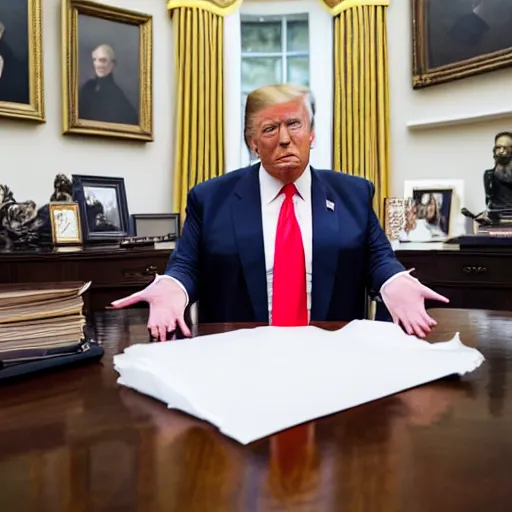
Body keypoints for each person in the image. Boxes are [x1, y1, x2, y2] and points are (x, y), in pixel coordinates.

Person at [112, 84, 448, 340]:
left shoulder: (353, 193)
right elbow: (187, 264)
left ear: (312, 134)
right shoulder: (210, 197)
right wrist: (173, 285)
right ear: (252, 142)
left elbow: (377, 257)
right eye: (270, 129)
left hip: (332, 355)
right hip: (240, 355)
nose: (285, 138)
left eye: (294, 124)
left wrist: (395, 280)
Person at [78, 44, 138, 125]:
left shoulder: (117, 94)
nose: (98, 64)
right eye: (95, 60)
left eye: (103, 60)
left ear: (113, 64)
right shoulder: (87, 87)